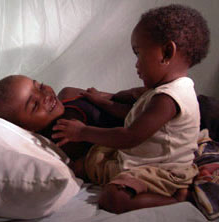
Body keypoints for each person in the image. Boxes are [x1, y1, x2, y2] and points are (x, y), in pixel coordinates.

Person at [51, 4, 210, 213]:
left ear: (167, 52)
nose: (136, 64)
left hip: (161, 171)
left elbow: (130, 136)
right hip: (141, 161)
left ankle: (181, 199)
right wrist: (102, 101)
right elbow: (134, 117)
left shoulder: (169, 97)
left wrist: (82, 132)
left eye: (138, 54)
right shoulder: (162, 91)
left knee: (113, 198)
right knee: (80, 166)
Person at [0, 75, 124, 164]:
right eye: (34, 105)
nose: (45, 96)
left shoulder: (69, 93)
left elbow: (121, 99)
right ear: (26, 129)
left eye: (40, 86)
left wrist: (104, 98)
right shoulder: (63, 140)